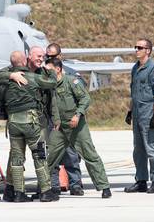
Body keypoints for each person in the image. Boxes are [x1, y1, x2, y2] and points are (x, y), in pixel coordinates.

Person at [0, 46, 60, 201]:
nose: (41, 59)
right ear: (26, 59)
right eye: (38, 56)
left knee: (16, 157)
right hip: (32, 122)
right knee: (40, 154)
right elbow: (52, 83)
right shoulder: (34, 77)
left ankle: (18, 193)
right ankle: (45, 192)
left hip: (14, 123)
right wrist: (50, 70)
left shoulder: (7, 81)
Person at [45, 57, 112, 198]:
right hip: (60, 128)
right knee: (50, 159)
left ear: (57, 69)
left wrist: (78, 115)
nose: (46, 72)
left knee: (90, 155)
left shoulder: (71, 81)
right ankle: (45, 189)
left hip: (76, 126)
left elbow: (85, 99)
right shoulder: (49, 86)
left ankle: (104, 187)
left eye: (49, 69)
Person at [124, 39, 154, 194]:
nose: (136, 49)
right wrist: (130, 111)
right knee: (139, 150)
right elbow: (133, 93)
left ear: (148, 50)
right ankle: (141, 181)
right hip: (137, 114)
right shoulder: (135, 68)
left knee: (153, 148)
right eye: (135, 47)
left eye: (140, 47)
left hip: (149, 114)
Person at [45, 43, 84, 195]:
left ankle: (75, 184)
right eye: (48, 56)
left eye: (53, 56)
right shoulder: (43, 74)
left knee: (71, 153)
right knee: (52, 153)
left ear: (60, 57)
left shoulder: (71, 74)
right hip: (51, 120)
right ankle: (53, 185)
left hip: (67, 120)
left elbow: (80, 95)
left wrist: (76, 115)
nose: (50, 59)